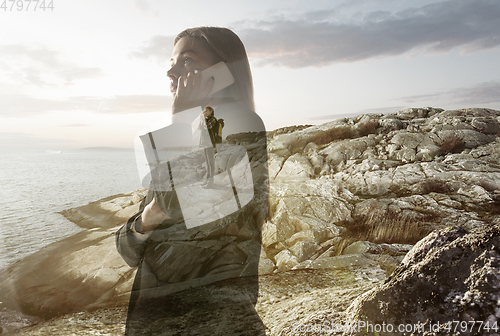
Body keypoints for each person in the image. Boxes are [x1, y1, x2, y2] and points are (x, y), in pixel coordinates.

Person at [115, 27, 269, 336]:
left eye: (186, 61)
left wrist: (180, 118)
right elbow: (129, 249)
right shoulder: (192, 133)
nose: (171, 71)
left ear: (222, 71)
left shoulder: (243, 127)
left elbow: (177, 206)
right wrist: (144, 222)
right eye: (172, 61)